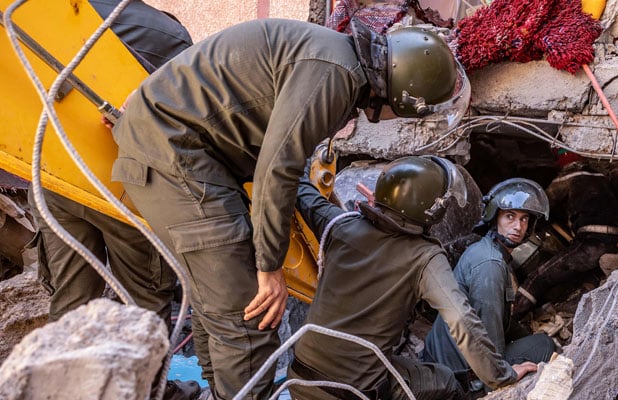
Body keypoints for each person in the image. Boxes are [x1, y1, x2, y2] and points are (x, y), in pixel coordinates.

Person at [109, 17, 470, 400]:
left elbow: (282, 163)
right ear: (405, 95)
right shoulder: (336, 76)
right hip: (177, 156)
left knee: (219, 305)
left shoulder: (334, 58)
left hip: (178, 149)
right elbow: (277, 169)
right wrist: (270, 267)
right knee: (250, 313)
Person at [27, 1, 197, 399]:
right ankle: (146, 391)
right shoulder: (166, 33)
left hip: (56, 179)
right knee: (142, 306)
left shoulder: (40, 16)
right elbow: (186, 122)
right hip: (129, 189)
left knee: (71, 305)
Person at [286, 156, 536, 400]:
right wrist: (503, 377)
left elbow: (303, 193)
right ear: (432, 210)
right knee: (446, 381)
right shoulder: (425, 257)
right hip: (352, 390)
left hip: (300, 374)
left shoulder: (341, 225)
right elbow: (462, 320)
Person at [423, 178, 556, 398]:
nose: (518, 226)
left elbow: (500, 318)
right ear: (495, 217)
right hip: (458, 377)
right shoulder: (490, 266)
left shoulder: (485, 250)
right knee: (543, 345)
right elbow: (488, 328)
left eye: (524, 219)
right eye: (510, 216)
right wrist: (501, 380)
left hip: (439, 358)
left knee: (533, 339)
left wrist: (524, 334)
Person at [512, 155, 618, 319]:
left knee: (538, 278)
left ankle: (512, 317)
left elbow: (544, 204)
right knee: (585, 277)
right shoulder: (600, 176)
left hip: (592, 241)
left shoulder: (570, 176)